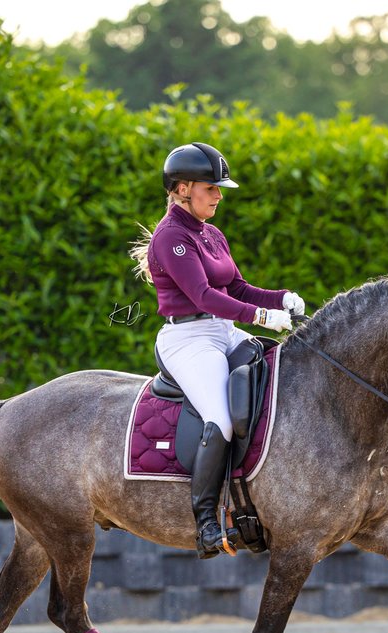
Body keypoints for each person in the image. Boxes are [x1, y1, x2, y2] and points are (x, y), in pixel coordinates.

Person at [130, 141, 305, 558]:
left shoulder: (211, 233)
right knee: (221, 420)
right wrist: (261, 318)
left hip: (223, 331)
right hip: (188, 339)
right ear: (183, 188)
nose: (219, 195)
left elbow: (238, 288)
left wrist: (280, 298)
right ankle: (206, 524)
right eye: (212, 188)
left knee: (276, 383)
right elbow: (204, 295)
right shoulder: (170, 237)